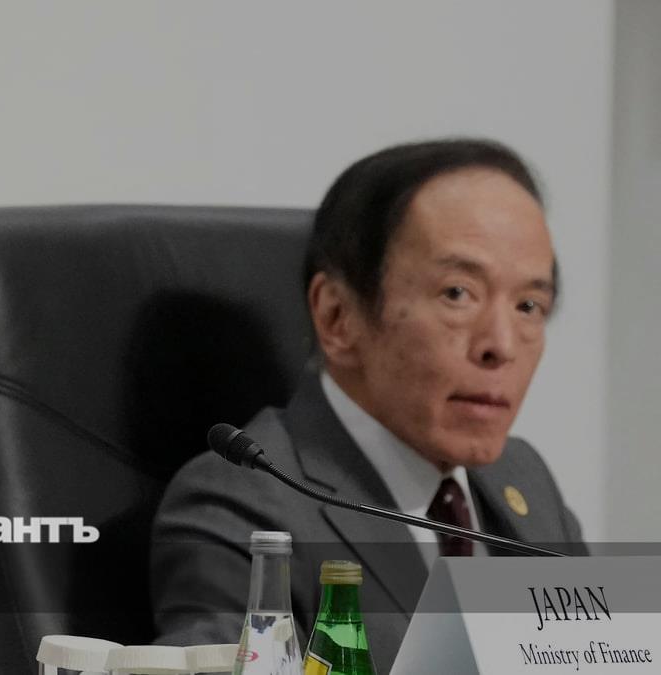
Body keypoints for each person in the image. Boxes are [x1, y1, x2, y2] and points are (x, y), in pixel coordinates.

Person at [150, 139, 587, 673]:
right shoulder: (245, 506)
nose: (501, 344)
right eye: (457, 293)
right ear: (338, 317)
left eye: (528, 305)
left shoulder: (523, 481)